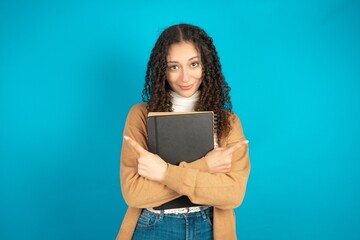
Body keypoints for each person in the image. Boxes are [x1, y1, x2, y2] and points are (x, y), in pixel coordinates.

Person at [116, 23, 250, 240]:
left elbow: (233, 194)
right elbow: (134, 194)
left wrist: (164, 174)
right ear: (162, 71)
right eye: (174, 67)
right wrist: (205, 166)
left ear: (206, 66)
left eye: (194, 64)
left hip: (210, 225)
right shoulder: (140, 115)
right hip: (155, 225)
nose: (186, 78)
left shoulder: (228, 122)